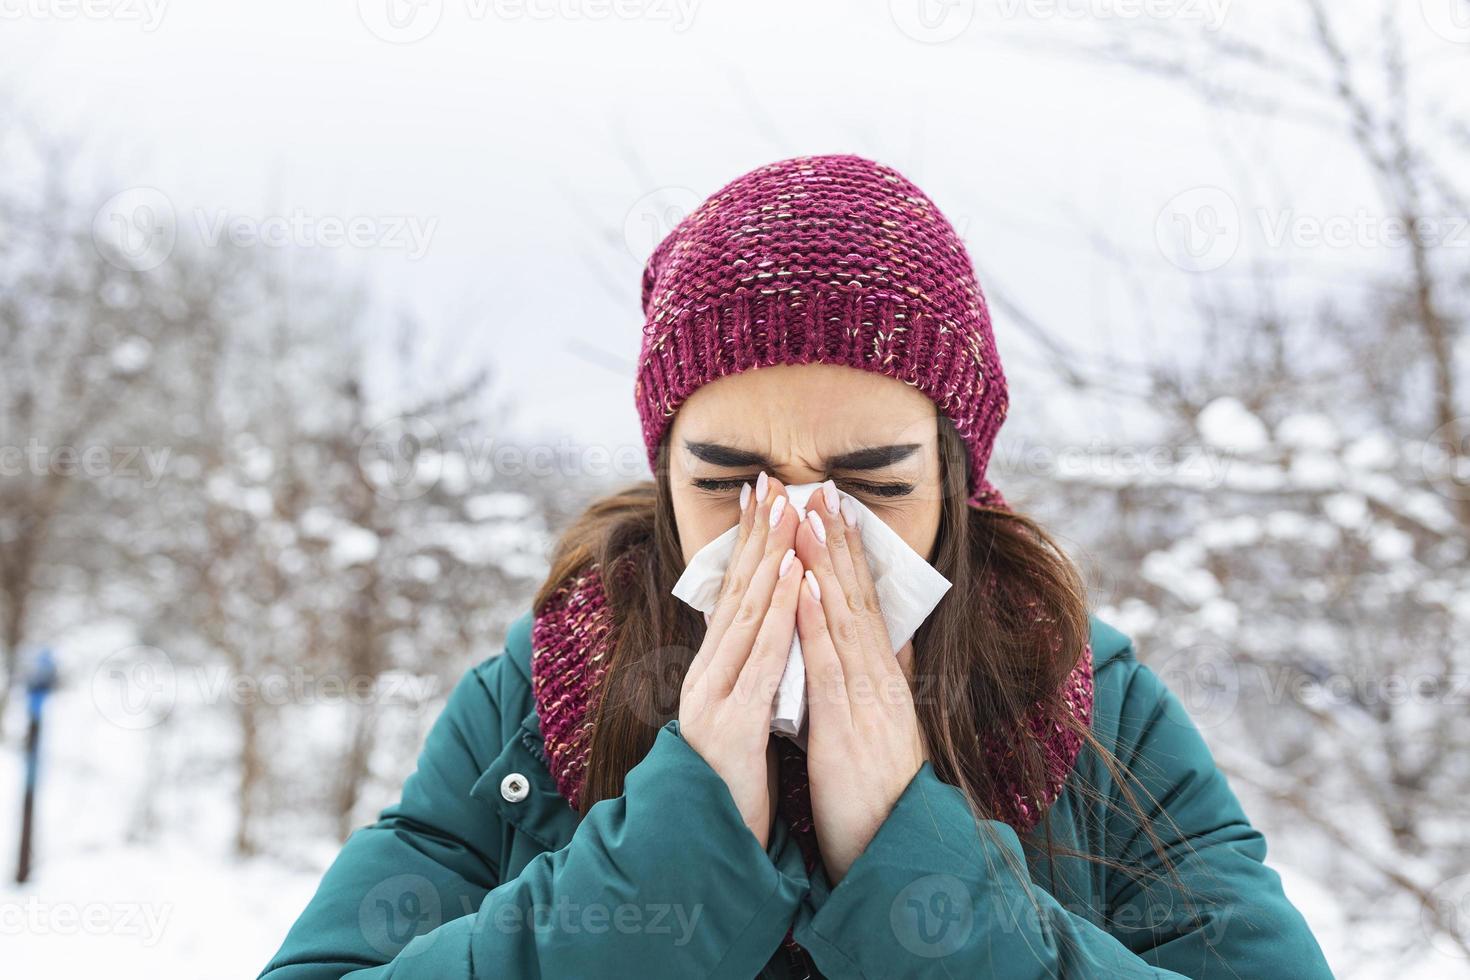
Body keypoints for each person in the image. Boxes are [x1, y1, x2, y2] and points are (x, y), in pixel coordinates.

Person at [260, 155, 1334, 978]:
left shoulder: (1088, 702)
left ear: (958, 480)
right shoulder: (540, 696)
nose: (801, 534)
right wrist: (663, 864)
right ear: (664, 468)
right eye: (731, 480)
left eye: (872, 483)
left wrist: (925, 875)